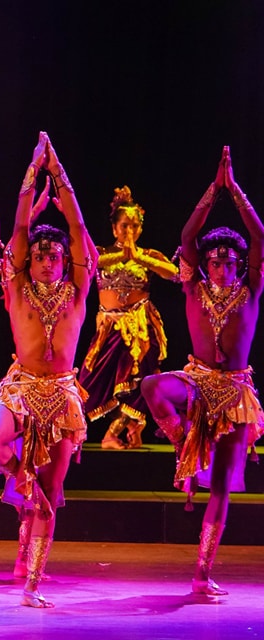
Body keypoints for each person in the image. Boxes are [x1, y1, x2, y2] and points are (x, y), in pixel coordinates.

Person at [0, 132, 97, 608]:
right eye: (40, 256)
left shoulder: (78, 290)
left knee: (51, 490)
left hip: (62, 395)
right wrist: (32, 173)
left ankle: (32, 582)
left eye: (54, 256)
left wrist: (60, 174)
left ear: (66, 260)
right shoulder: (18, 288)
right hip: (22, 389)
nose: (46, 261)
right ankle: (18, 481)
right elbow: (21, 227)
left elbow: (78, 224)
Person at [141, 145, 264, 597]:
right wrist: (214, 192)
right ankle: (183, 445)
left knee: (223, 489)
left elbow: (260, 238)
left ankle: (202, 572)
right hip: (197, 381)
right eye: (215, 261)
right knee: (152, 385)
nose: (222, 268)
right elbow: (187, 235)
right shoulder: (193, 287)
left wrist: (238, 195)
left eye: (230, 262)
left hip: (234, 392)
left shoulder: (250, 289)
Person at [79, 187, 177, 449]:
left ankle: (114, 432)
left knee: (139, 380)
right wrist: (124, 255)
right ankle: (134, 425)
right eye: (124, 225)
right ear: (114, 228)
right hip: (109, 327)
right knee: (93, 381)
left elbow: (174, 273)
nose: (130, 231)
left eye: (135, 225)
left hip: (141, 327)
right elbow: (88, 264)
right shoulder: (101, 253)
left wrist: (139, 257)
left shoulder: (149, 256)